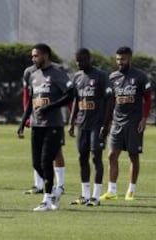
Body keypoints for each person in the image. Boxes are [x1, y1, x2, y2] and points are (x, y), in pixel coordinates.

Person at [17, 43, 73, 211]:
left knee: (46, 161)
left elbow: (71, 94)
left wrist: (51, 106)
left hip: (53, 124)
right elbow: (31, 102)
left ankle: (47, 200)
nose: (34, 59)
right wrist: (22, 123)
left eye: (37, 56)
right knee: (36, 163)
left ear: (46, 56)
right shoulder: (32, 74)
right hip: (36, 124)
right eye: (33, 56)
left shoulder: (57, 73)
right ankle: (54, 189)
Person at [100, 47, 151, 201]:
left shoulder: (140, 77)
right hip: (117, 122)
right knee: (111, 155)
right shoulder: (113, 77)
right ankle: (112, 190)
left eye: (122, 59)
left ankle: (131, 190)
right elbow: (110, 101)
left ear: (129, 59)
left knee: (133, 156)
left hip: (134, 122)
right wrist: (107, 122)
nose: (119, 62)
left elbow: (148, 99)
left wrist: (143, 118)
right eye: (117, 59)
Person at [68, 48, 112, 206]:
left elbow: (109, 100)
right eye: (77, 61)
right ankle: (84, 195)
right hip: (82, 124)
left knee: (96, 158)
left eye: (82, 60)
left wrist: (106, 124)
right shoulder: (78, 77)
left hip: (97, 124)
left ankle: (96, 196)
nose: (79, 63)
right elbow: (76, 101)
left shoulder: (101, 76)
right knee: (82, 158)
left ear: (89, 59)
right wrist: (72, 121)